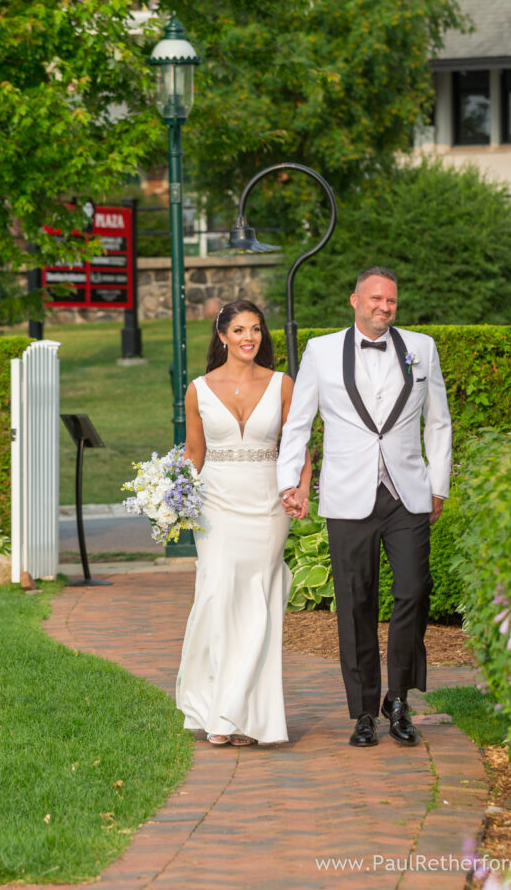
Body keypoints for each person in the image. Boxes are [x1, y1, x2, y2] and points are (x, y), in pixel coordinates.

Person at [277, 267, 451, 748]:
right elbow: (298, 423)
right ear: (354, 300)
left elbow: (439, 422)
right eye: (375, 299)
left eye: (391, 301)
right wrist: (288, 480)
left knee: (414, 591)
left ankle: (398, 698)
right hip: (347, 495)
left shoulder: (423, 348)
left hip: (407, 494)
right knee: (355, 603)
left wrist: (439, 485)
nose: (384, 307)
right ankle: (362, 711)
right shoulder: (321, 350)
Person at [176, 299, 310, 747]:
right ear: (222, 336)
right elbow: (194, 455)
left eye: (255, 329)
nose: (248, 337)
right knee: (216, 596)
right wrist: (166, 498)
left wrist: (301, 487)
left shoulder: (282, 384)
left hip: (267, 505)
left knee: (257, 604)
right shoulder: (198, 388)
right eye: (238, 330)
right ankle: (216, 709)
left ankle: (248, 716)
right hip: (214, 503)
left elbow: (299, 446)